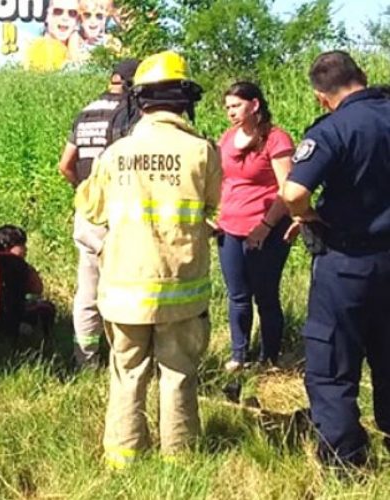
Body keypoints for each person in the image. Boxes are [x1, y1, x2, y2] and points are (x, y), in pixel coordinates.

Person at [76, 51, 221, 468]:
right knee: (177, 374)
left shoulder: (117, 153)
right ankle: (180, 457)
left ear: (140, 101)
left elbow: (92, 210)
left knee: (127, 373)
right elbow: (214, 204)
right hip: (182, 290)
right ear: (184, 100)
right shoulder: (201, 151)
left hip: (124, 290)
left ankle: (123, 457)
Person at [279, 51, 390, 471]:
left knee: (332, 365)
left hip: (347, 263)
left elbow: (292, 192)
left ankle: (346, 463)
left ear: (321, 97)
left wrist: (307, 215)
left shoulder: (333, 130)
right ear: (362, 76)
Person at [57, 58, 139, 367]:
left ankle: (85, 359)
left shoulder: (85, 113)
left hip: (88, 213)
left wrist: (84, 192)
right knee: (124, 289)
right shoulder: (131, 115)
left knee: (87, 291)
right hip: (120, 214)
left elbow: (65, 165)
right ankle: (125, 359)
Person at [215, 82, 295, 372]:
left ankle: (269, 358)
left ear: (255, 105)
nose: (231, 113)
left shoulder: (276, 139)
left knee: (265, 294)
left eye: (236, 106)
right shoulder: (227, 138)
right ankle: (239, 355)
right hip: (229, 228)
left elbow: (288, 189)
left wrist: (265, 225)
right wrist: (213, 212)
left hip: (267, 229)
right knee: (237, 295)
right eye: (227, 108)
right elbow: (220, 179)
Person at [0, 225, 56, 337]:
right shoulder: (18, 266)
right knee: (47, 308)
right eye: (21, 245)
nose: (26, 249)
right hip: (13, 317)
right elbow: (37, 288)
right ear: (7, 247)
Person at [25, 0, 80, 71]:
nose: (65, 18)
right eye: (58, 11)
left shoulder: (82, 47)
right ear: (47, 16)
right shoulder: (37, 47)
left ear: (77, 20)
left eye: (72, 13)